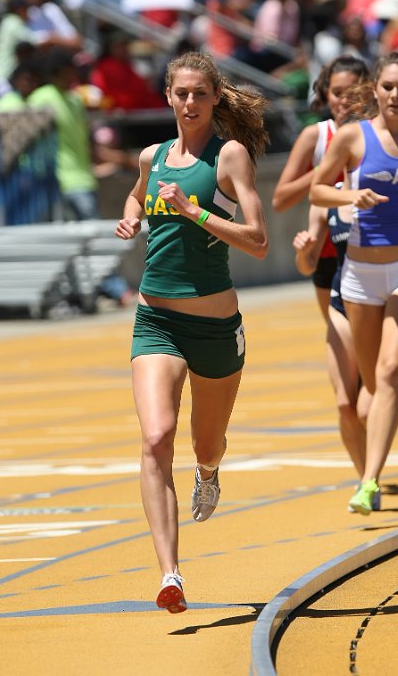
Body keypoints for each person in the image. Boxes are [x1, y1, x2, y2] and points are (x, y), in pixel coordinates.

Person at [114, 51, 269, 613]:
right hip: (155, 318)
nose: (189, 103)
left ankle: (209, 471)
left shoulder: (228, 156)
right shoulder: (152, 155)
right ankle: (170, 574)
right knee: (156, 437)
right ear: (168, 96)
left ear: (214, 98)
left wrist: (195, 212)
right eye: (180, 93)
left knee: (206, 442)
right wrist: (134, 213)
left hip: (215, 327)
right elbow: (138, 192)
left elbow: (258, 239)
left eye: (199, 94)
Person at [310, 48, 398, 515]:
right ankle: (397, 384)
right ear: (375, 89)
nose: (395, 95)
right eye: (388, 87)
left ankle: (370, 481)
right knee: (373, 382)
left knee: (391, 372)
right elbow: (316, 188)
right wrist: (352, 194)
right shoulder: (353, 138)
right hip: (360, 274)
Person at [28, 48, 133, 306]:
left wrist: (116, 159)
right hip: (58, 182)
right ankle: (105, 290)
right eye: (68, 71)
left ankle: (107, 289)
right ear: (55, 73)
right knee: (72, 242)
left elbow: (88, 144)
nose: (73, 75)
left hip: (82, 180)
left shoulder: (75, 100)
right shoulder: (42, 98)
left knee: (95, 239)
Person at [273, 55, 370, 321]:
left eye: (353, 92)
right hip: (327, 252)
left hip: (373, 247)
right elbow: (280, 200)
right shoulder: (315, 136)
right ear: (326, 94)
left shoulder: (378, 134)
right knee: (340, 342)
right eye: (338, 93)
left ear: (367, 91)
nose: (344, 100)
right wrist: (323, 169)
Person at [293, 200, 376, 506]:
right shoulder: (323, 200)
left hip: (378, 303)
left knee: (367, 409)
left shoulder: (381, 186)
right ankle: (367, 480)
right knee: (345, 404)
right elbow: (307, 264)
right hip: (341, 299)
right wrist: (304, 251)